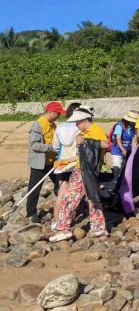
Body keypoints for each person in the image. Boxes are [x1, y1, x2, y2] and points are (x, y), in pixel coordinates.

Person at [49, 106, 109, 242]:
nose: (76, 125)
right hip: (83, 169)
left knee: (71, 199)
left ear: (85, 120)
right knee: (92, 198)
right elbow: (83, 155)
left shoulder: (95, 130)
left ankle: (63, 228)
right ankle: (99, 228)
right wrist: (66, 161)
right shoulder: (87, 131)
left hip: (86, 171)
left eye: (77, 122)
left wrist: (86, 142)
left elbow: (106, 144)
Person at [26, 101, 66, 223]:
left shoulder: (53, 125)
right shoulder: (37, 125)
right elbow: (34, 145)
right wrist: (51, 148)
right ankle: (31, 213)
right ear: (50, 112)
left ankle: (63, 207)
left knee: (60, 184)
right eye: (57, 113)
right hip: (39, 163)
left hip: (52, 162)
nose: (59, 116)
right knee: (35, 189)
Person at [51, 102, 82, 230]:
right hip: (75, 164)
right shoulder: (80, 128)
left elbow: (55, 147)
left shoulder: (59, 128)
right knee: (73, 194)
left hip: (62, 164)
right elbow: (81, 149)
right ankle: (66, 219)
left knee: (61, 193)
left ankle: (57, 220)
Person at [110, 110, 138, 182]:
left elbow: (135, 139)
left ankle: (120, 183)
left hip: (127, 150)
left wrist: (134, 150)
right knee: (117, 167)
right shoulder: (120, 126)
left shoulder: (133, 127)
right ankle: (114, 182)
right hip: (117, 150)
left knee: (124, 168)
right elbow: (118, 139)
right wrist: (122, 149)